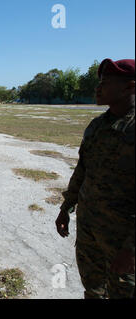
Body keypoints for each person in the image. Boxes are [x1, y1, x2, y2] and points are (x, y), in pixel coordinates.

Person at [55, 58, 135, 299]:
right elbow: (82, 171)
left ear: (130, 87)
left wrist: (131, 250)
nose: (97, 88)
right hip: (89, 227)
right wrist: (66, 207)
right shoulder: (97, 126)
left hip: (122, 237)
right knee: (92, 289)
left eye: (106, 83)